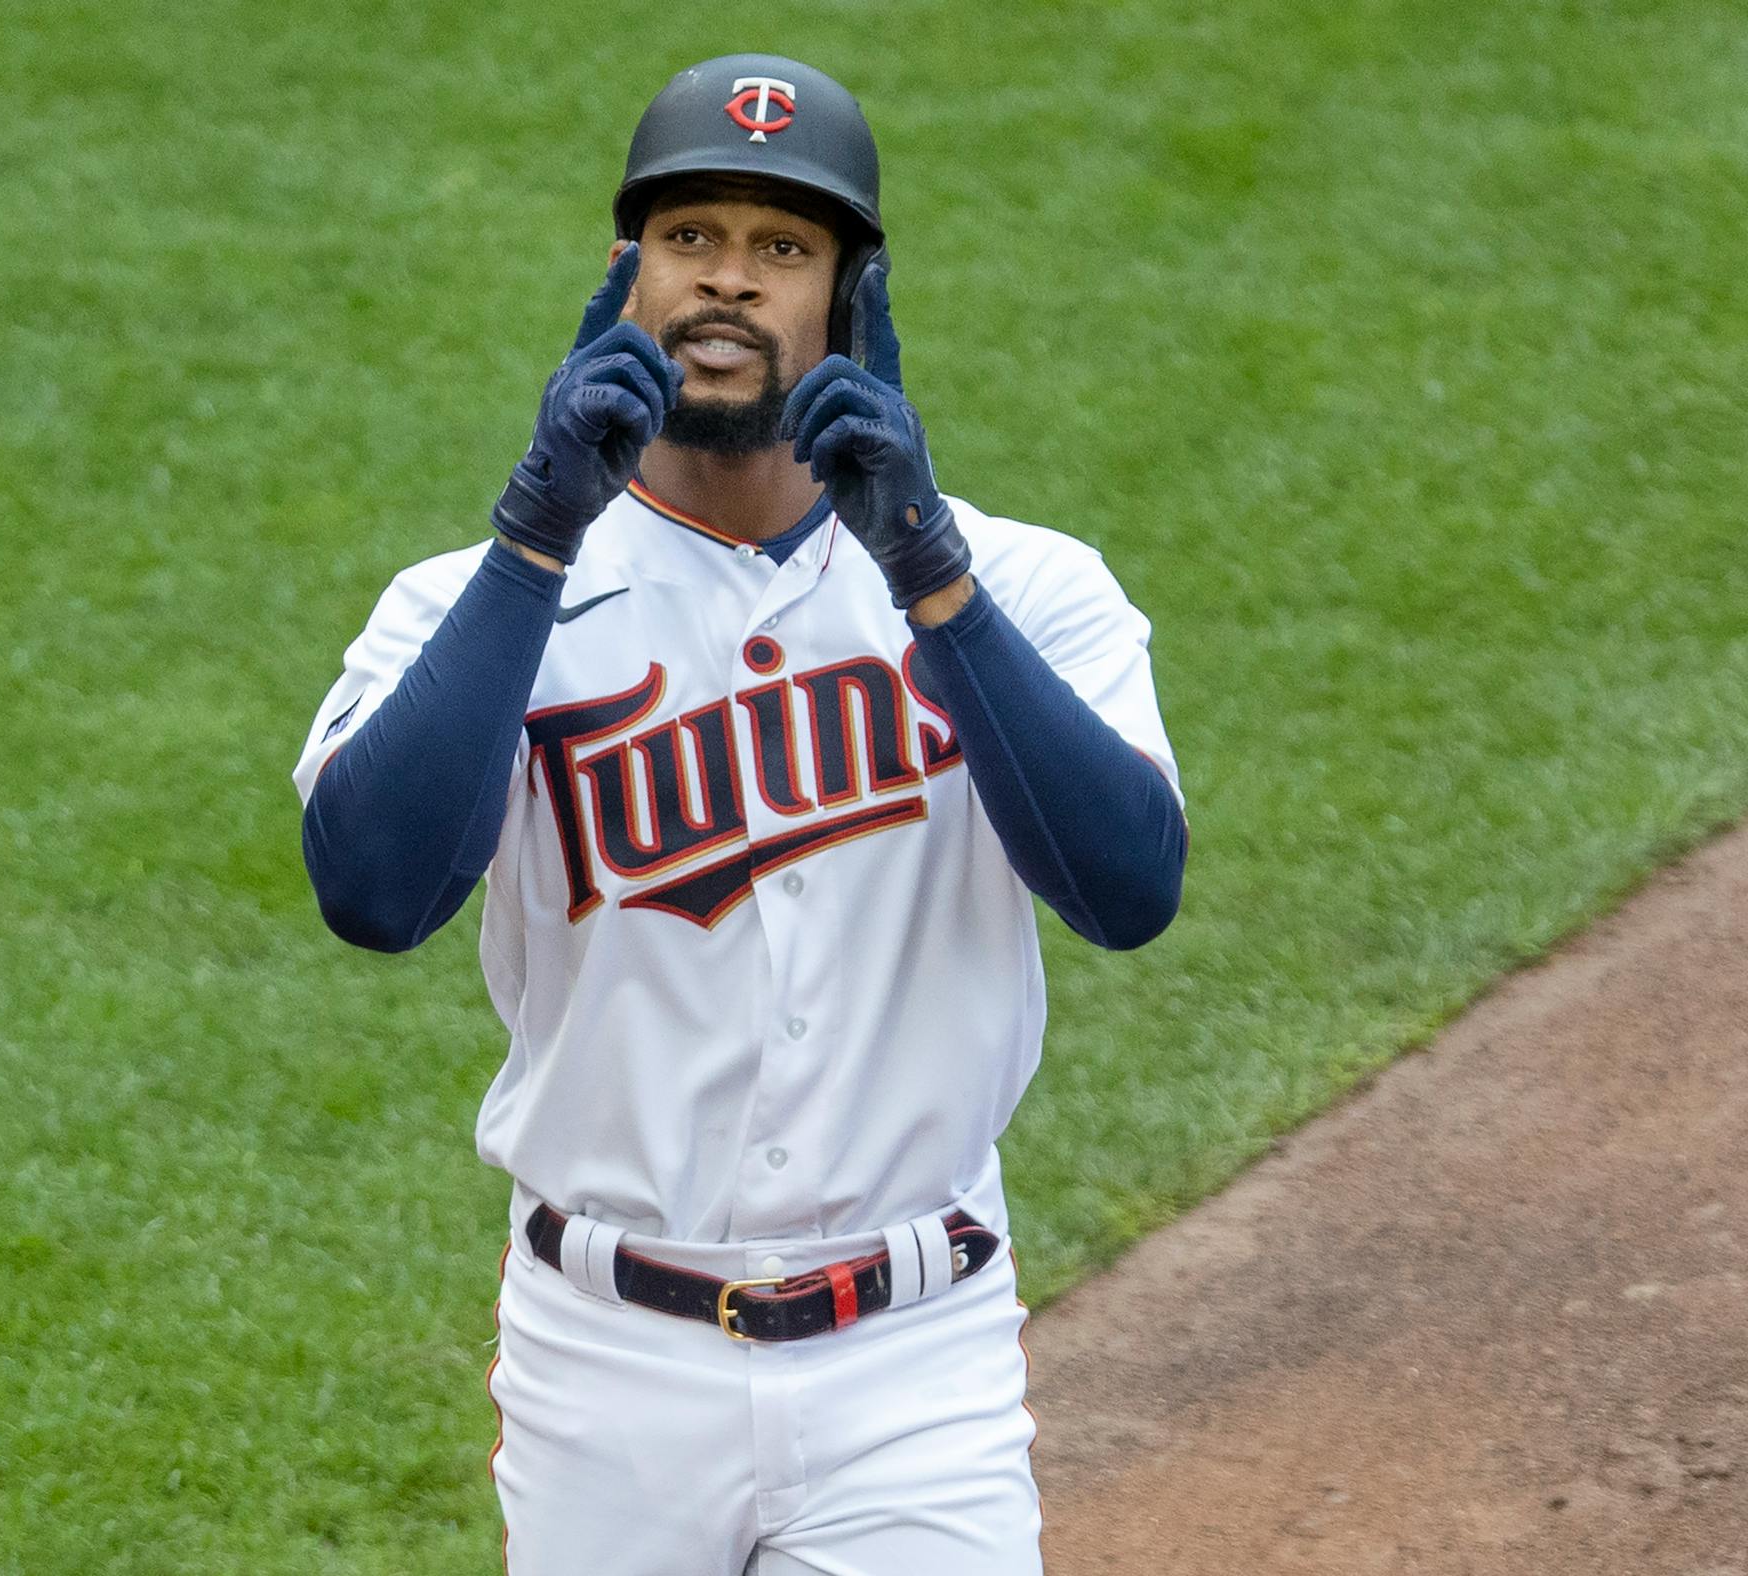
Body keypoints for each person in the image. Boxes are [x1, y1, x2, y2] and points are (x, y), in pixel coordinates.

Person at [294, 53, 1186, 1576]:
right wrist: (533, 538)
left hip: (914, 1369)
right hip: (606, 1372)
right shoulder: (467, 601)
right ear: (625, 274)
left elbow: (1126, 888)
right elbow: (376, 893)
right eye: (690, 236)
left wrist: (931, 572)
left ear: (853, 298)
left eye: (785, 249)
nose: (729, 283)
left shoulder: (1027, 586)